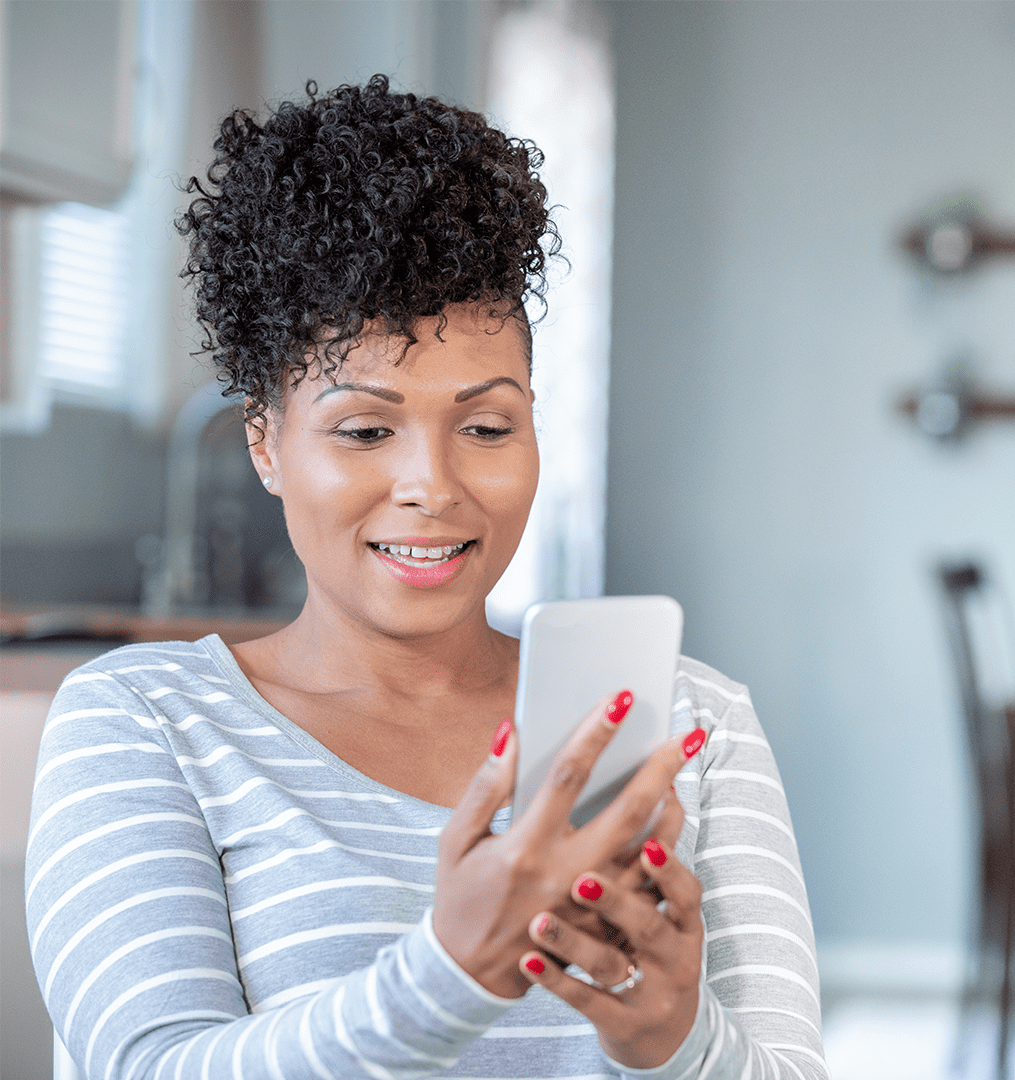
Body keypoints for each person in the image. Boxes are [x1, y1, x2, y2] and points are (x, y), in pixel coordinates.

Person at [26, 76, 827, 1080]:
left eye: (486, 427)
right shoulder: (148, 722)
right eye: (365, 430)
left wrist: (673, 1040)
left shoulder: (688, 726)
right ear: (265, 441)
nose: (433, 487)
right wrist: (448, 976)